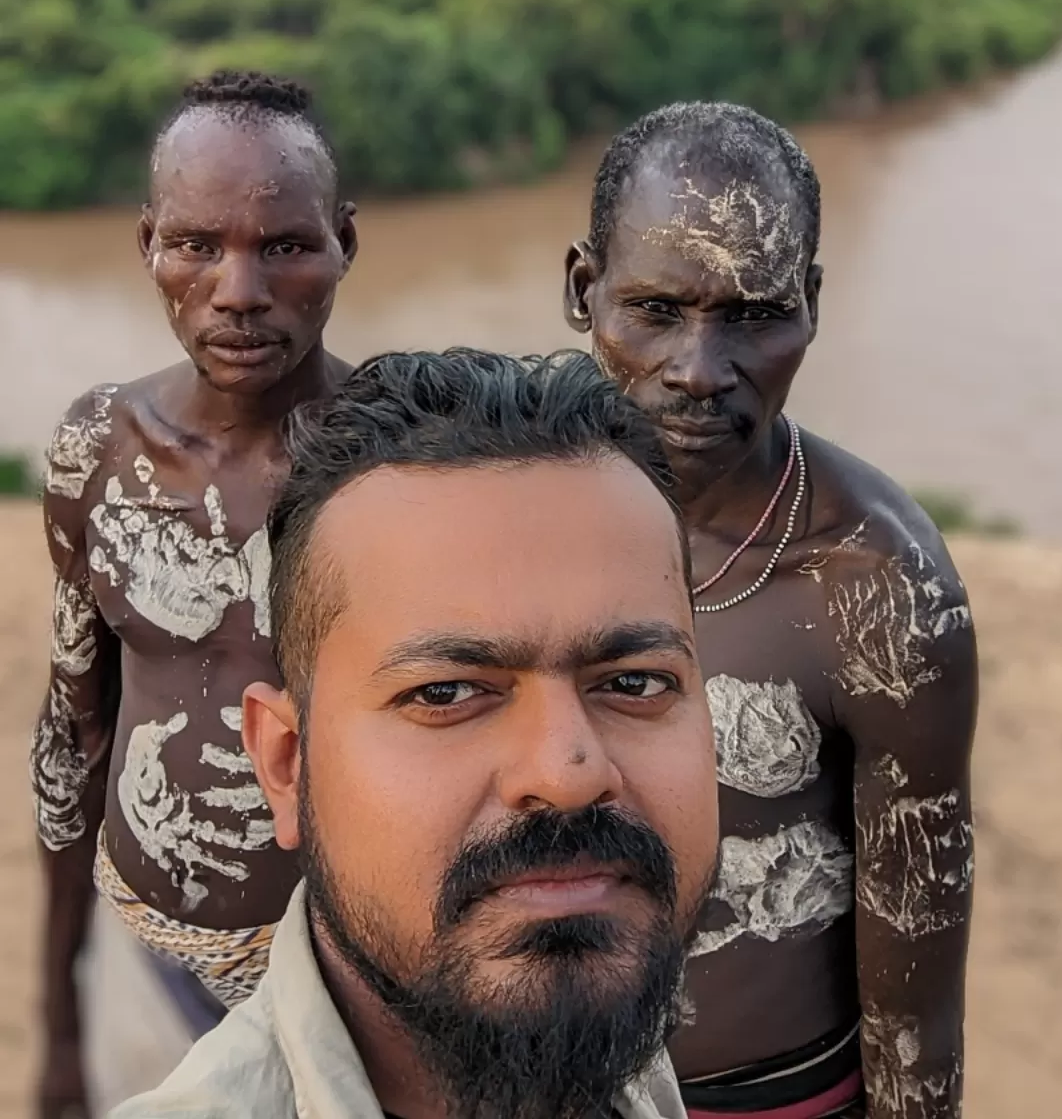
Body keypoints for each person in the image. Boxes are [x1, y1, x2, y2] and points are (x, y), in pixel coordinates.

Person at [112, 348, 720, 1119]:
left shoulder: (625, 1059)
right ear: (287, 765)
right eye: (446, 693)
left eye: (634, 683)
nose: (569, 773)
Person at [563, 102, 978, 1119]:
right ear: (584, 290)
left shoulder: (875, 586)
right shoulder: (500, 508)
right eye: (656, 310)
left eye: (752, 315)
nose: (701, 373)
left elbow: (917, 968)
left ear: (812, 304)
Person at [31, 70, 358, 1118]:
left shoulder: (398, 467)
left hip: (353, 986)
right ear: (147, 248)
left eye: (285, 247)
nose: (238, 290)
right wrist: (59, 1031)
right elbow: (71, 737)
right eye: (196, 245)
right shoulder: (98, 452)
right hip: (154, 947)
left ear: (346, 242)